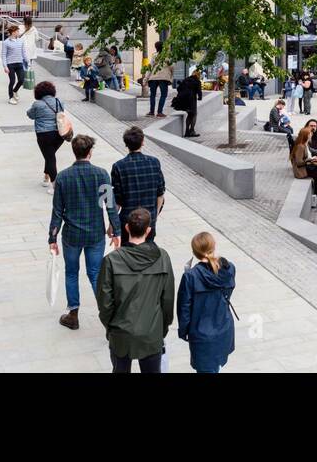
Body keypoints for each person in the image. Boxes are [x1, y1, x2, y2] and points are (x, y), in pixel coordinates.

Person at [50, 135, 120, 330]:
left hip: (71, 235)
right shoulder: (102, 174)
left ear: (74, 152)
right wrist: (116, 231)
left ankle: (73, 314)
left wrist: (52, 237)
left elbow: (57, 210)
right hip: (95, 233)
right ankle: (107, 317)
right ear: (90, 152)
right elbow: (110, 206)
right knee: (96, 273)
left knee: (71, 272)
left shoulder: (63, 177)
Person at [96, 207, 175, 373]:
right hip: (151, 331)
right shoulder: (163, 257)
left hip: (121, 332)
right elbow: (167, 300)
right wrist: (162, 329)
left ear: (126, 228)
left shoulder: (111, 260)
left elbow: (104, 303)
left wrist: (110, 327)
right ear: (148, 230)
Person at [176, 231, 237, 373]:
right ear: (214, 246)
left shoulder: (190, 276)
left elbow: (184, 308)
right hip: (224, 327)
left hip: (201, 333)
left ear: (195, 252)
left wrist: (184, 331)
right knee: (217, 366)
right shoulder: (229, 268)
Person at [110, 126, 167, 245]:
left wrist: (112, 224)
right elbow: (160, 194)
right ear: (142, 142)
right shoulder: (154, 163)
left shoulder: (119, 167)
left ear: (126, 144)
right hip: (148, 221)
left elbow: (117, 201)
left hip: (127, 222)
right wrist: (154, 215)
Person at [27, 80, 68, 188]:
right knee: (49, 155)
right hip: (60, 134)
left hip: (44, 135)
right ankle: (46, 177)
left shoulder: (37, 104)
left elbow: (30, 115)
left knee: (50, 157)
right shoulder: (59, 101)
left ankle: (55, 186)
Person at [142, 41, 175, 117]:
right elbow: (172, 67)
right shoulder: (168, 55)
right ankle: (159, 112)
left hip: (153, 77)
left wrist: (146, 79)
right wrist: (171, 77)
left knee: (152, 95)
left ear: (156, 47)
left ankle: (151, 111)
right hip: (164, 78)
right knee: (163, 95)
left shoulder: (154, 56)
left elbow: (150, 67)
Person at [173, 67, 203, 137]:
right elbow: (199, 92)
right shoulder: (197, 81)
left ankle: (187, 131)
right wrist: (200, 98)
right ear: (198, 75)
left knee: (189, 114)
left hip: (184, 100)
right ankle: (192, 130)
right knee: (194, 114)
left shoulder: (186, 80)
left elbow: (179, 88)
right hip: (191, 100)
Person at [2, 24, 27, 104]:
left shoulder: (21, 40)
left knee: (21, 80)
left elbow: (23, 52)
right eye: (17, 31)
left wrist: (27, 61)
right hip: (10, 64)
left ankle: (15, 91)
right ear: (13, 32)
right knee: (12, 81)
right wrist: (5, 66)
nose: (18, 32)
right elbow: (3, 55)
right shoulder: (6, 42)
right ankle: (11, 97)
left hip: (19, 63)